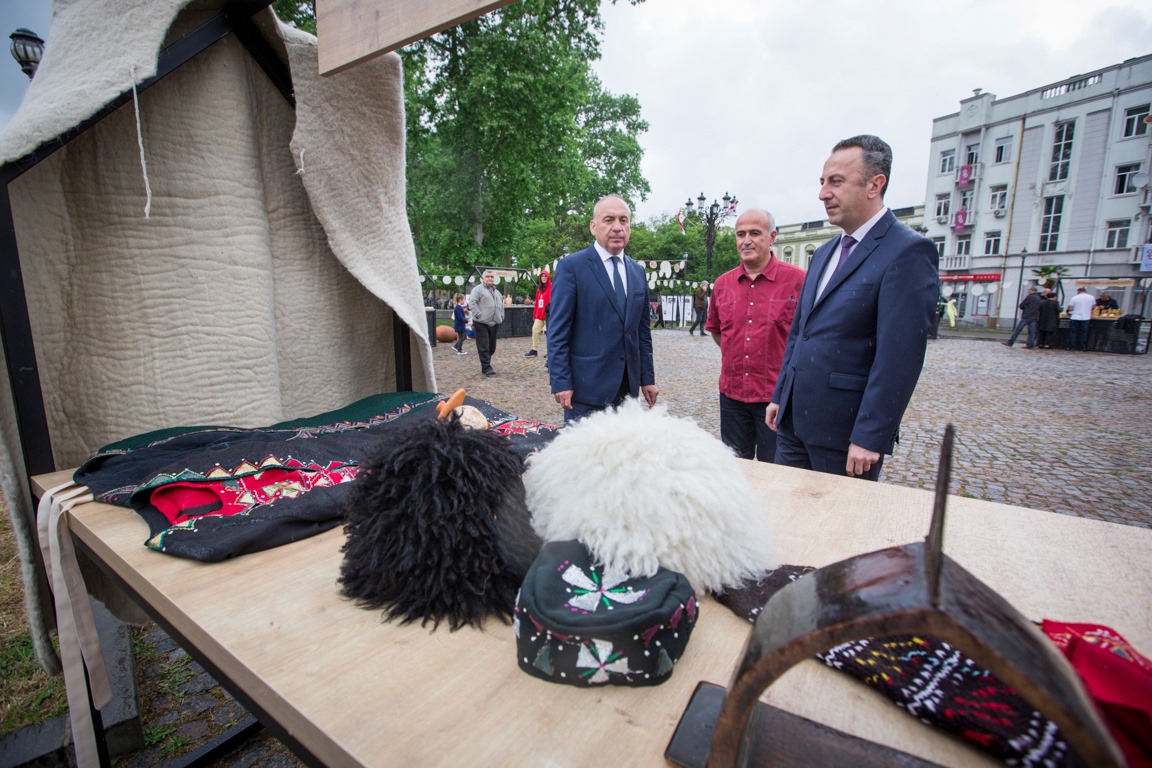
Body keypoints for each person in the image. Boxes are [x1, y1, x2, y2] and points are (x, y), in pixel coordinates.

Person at [765, 135, 938, 481]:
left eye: (836, 182)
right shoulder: (824, 253)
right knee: (785, 509)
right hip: (793, 424)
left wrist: (871, 435)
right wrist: (781, 395)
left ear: (875, 184)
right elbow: (801, 332)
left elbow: (899, 357)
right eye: (822, 182)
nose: (823, 193)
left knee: (836, 516)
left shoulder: (907, 251)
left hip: (845, 435)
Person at [705, 209, 804, 462]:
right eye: (741, 234)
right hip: (732, 396)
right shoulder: (723, 284)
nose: (746, 240)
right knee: (735, 468)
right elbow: (717, 330)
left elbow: (807, 337)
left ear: (772, 238)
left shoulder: (798, 281)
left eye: (755, 233)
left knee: (776, 469)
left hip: (776, 397)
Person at [547, 195, 658, 422]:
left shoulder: (637, 272)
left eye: (623, 220)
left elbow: (642, 333)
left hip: (627, 391)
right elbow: (557, 332)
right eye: (609, 220)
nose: (617, 227)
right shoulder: (572, 267)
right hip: (585, 391)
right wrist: (561, 382)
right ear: (593, 226)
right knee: (584, 447)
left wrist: (647, 378)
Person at [468, 269, 504, 376]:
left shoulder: (497, 292)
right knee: (483, 346)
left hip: (494, 323)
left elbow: (501, 306)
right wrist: (479, 315)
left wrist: (501, 316)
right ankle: (486, 367)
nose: (490, 278)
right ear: (483, 278)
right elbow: (472, 303)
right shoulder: (477, 289)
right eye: (487, 276)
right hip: (481, 323)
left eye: (492, 277)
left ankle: (486, 364)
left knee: (492, 347)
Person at [524, 270, 551, 357]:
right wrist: (535, 314)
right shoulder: (539, 289)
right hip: (539, 315)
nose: (544, 278)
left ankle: (550, 351)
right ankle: (534, 350)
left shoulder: (551, 287)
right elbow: (537, 303)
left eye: (545, 276)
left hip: (548, 314)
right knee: (535, 330)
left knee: (549, 333)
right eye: (542, 276)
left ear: (548, 277)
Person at [1067, 287, 1095, 351]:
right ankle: (1082, 347)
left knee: (1073, 332)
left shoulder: (1074, 297)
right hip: (1086, 317)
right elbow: (1093, 307)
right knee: (1084, 333)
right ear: (1085, 291)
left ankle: (1072, 346)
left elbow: (1070, 308)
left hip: (1075, 317)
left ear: (1078, 291)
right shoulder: (1091, 297)